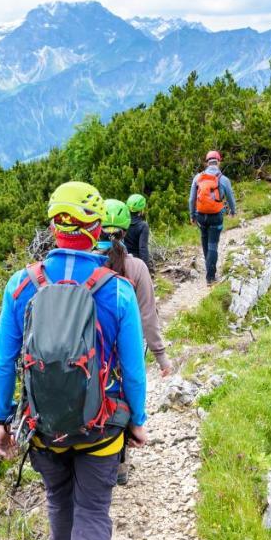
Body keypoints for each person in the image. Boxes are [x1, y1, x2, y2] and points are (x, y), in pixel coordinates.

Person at [0, 181, 148, 540]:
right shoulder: (117, 290)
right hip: (103, 430)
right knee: (94, 513)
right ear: (97, 230)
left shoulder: (21, 285)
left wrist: (2, 419)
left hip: (45, 428)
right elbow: (134, 367)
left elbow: (5, 361)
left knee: (59, 501)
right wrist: (137, 422)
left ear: (55, 226)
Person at [98, 198, 171, 486]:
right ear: (126, 230)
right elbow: (148, 317)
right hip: (126, 348)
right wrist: (161, 356)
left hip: (94, 349)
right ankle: (120, 462)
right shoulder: (137, 268)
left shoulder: (90, 263)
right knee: (125, 396)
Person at [189, 150, 236, 285]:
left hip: (200, 215)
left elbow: (191, 199)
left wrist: (192, 215)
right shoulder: (223, 179)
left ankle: (208, 266)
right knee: (213, 245)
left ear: (207, 162)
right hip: (215, 216)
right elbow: (230, 197)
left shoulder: (198, 177)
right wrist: (233, 211)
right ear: (218, 162)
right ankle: (210, 277)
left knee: (205, 240)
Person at [124, 193, 152, 267]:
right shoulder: (143, 225)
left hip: (122, 259)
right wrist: (146, 267)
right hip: (136, 261)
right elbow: (143, 248)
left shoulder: (123, 222)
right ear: (141, 210)